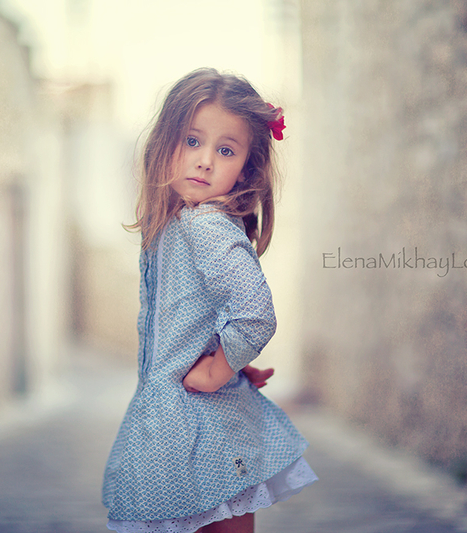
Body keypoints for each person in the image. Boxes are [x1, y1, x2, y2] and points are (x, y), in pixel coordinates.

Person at [102, 68, 317, 533]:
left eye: (225, 150)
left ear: (246, 168)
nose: (204, 161)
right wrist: (226, 356)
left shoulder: (206, 227)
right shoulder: (178, 222)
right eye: (192, 141)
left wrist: (219, 368)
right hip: (185, 422)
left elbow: (254, 316)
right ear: (164, 143)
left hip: (197, 425)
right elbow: (204, 312)